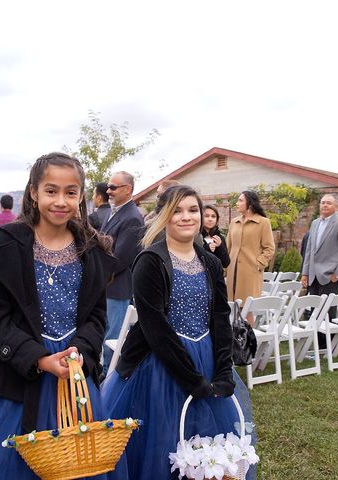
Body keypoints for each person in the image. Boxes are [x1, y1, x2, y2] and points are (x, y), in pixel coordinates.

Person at [0, 152, 115, 479]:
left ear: (81, 196)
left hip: (73, 381)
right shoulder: (9, 246)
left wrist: (80, 351)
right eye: (51, 190)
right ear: (33, 192)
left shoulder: (92, 249)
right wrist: (39, 359)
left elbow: (97, 317)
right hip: (14, 384)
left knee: (76, 463)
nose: (61, 201)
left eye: (71, 192)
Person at [101, 185, 253, 479]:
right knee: (161, 440)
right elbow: (154, 326)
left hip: (206, 357)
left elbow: (220, 316)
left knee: (207, 440)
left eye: (193, 210)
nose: (186, 217)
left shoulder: (209, 262)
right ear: (165, 218)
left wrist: (222, 369)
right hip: (159, 365)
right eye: (177, 211)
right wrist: (191, 378)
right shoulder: (150, 261)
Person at [100, 171, 144, 367]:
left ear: (128, 189)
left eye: (113, 187)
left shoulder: (132, 217)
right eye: (108, 187)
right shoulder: (115, 211)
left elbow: (120, 259)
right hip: (108, 286)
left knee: (113, 339)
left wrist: (97, 275)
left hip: (117, 288)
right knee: (104, 333)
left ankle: (110, 381)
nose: (108, 191)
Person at [301, 194, 338, 347]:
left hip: (330, 277)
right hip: (313, 276)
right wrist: (305, 273)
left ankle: (327, 346)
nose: (325, 205)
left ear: (335, 207)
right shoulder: (315, 223)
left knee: (327, 312)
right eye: (323, 203)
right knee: (314, 311)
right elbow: (310, 251)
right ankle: (317, 344)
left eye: (328, 203)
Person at [226, 191, 275, 313]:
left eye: (240, 200)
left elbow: (269, 248)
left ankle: (247, 332)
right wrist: (225, 268)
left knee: (247, 310)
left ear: (250, 203)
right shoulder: (234, 222)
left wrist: (258, 264)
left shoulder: (263, 222)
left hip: (250, 273)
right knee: (232, 308)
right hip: (232, 272)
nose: (237, 203)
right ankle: (233, 332)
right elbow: (228, 247)